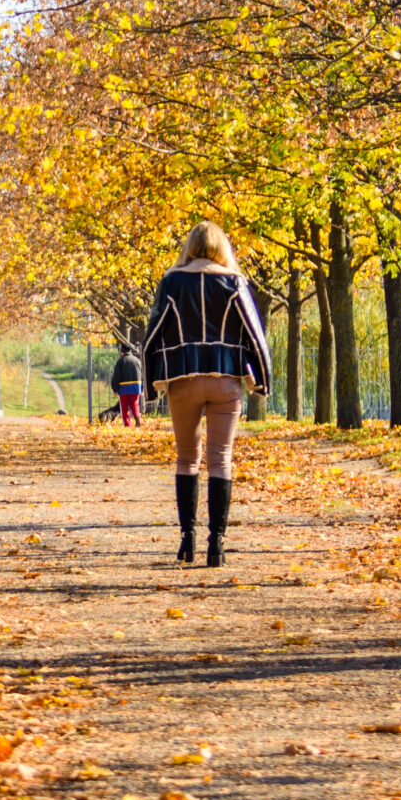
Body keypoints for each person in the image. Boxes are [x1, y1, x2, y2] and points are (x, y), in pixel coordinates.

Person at [140, 222, 274, 568]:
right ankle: (218, 544)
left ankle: (188, 540)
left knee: (186, 459)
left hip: (182, 379)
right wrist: (263, 379)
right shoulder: (234, 282)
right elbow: (255, 335)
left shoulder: (172, 282)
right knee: (221, 457)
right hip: (226, 381)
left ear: (189, 247)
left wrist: (149, 383)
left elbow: (153, 333)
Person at [110, 344, 144, 426]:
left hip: (124, 387)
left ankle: (127, 424)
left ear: (122, 352)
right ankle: (137, 416)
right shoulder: (138, 361)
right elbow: (142, 375)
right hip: (136, 386)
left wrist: (115, 389)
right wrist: (142, 388)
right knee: (134, 403)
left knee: (124, 407)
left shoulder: (121, 361)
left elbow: (116, 376)